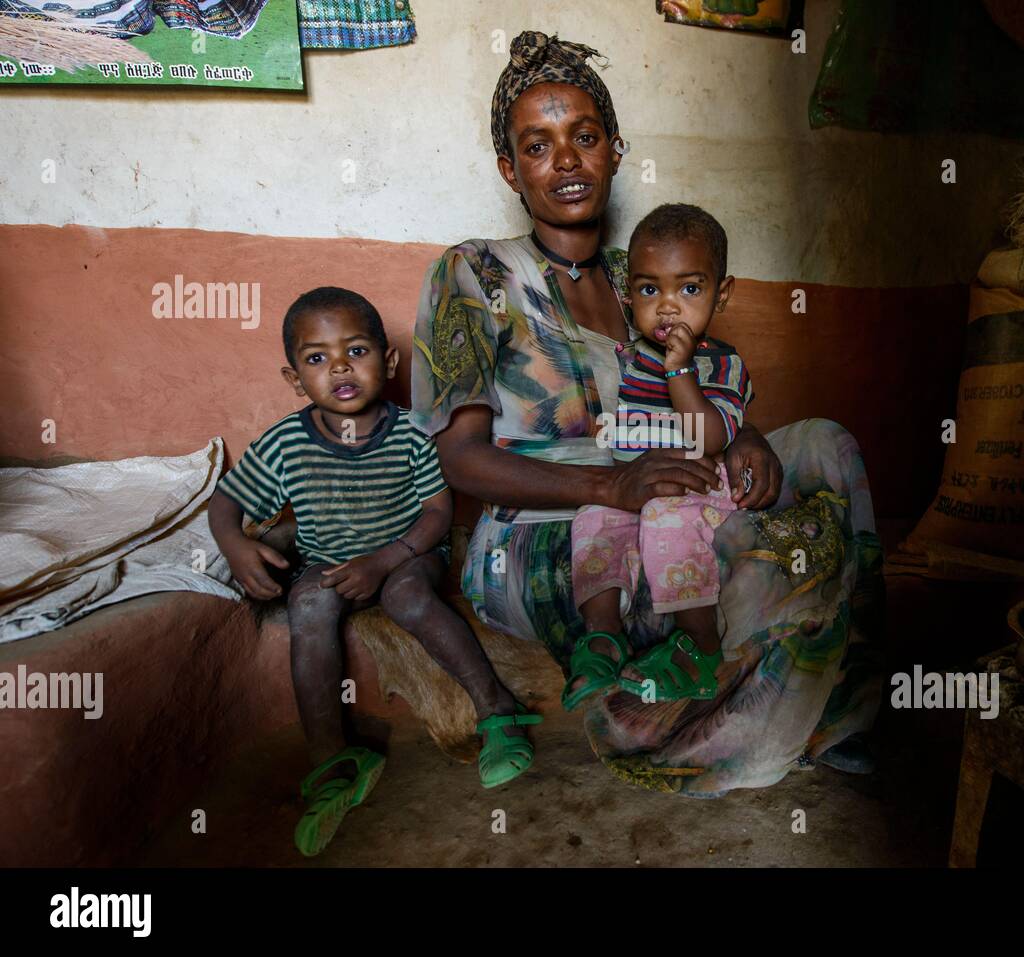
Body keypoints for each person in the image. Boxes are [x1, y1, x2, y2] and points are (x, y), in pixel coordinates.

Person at [413, 31, 884, 795]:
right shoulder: (475, 273)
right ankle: (662, 720)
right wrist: (608, 488)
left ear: (615, 150)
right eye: (538, 145)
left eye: (585, 137)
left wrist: (748, 436)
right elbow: (459, 459)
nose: (566, 161)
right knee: (744, 556)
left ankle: (851, 707)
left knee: (826, 447)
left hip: (667, 492)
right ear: (510, 168)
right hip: (543, 534)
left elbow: (698, 386)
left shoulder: (645, 282)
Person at [209, 287, 540, 857]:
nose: (338, 367)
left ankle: (496, 709)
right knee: (308, 604)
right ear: (294, 380)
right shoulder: (287, 442)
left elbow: (437, 514)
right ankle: (333, 760)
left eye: (356, 351)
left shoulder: (411, 431)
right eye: (316, 358)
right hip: (325, 560)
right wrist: (235, 545)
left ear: (388, 364)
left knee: (407, 600)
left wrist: (385, 561)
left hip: (407, 554)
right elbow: (225, 503)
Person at [567, 203, 752, 708]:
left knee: (666, 520)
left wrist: (681, 372)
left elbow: (710, 437)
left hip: (697, 491)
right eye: (651, 290)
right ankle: (603, 637)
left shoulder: (723, 363)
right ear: (630, 299)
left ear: (723, 293)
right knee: (592, 520)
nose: (668, 307)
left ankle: (702, 649)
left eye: (689, 289)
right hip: (639, 489)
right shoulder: (631, 359)